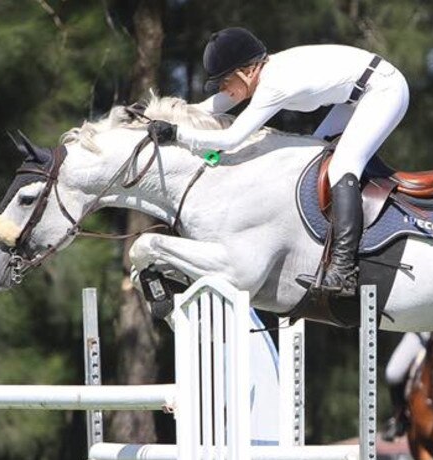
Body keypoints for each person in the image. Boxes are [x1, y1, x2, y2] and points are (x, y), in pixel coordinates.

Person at [146, 27, 410, 298]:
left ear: (245, 72)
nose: (224, 90)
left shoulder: (274, 84)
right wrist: (151, 116)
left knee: (343, 165)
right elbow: (210, 106)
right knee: (314, 154)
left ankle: (344, 269)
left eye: (225, 82)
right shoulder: (257, 74)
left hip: (384, 90)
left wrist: (177, 134)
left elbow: (231, 139)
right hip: (357, 95)